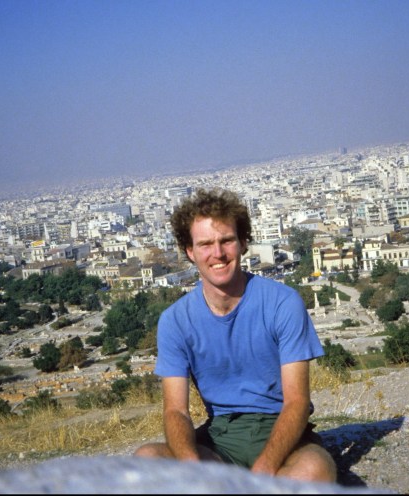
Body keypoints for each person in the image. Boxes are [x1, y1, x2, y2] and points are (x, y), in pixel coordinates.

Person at [134, 188, 337, 483]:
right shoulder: (175, 321)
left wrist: (266, 468)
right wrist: (191, 465)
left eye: (226, 240)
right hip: (219, 438)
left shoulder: (282, 303)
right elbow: (176, 411)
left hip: (282, 434)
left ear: (243, 243)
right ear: (190, 252)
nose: (217, 253)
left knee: (315, 470)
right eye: (205, 244)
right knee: (146, 461)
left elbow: (297, 402)